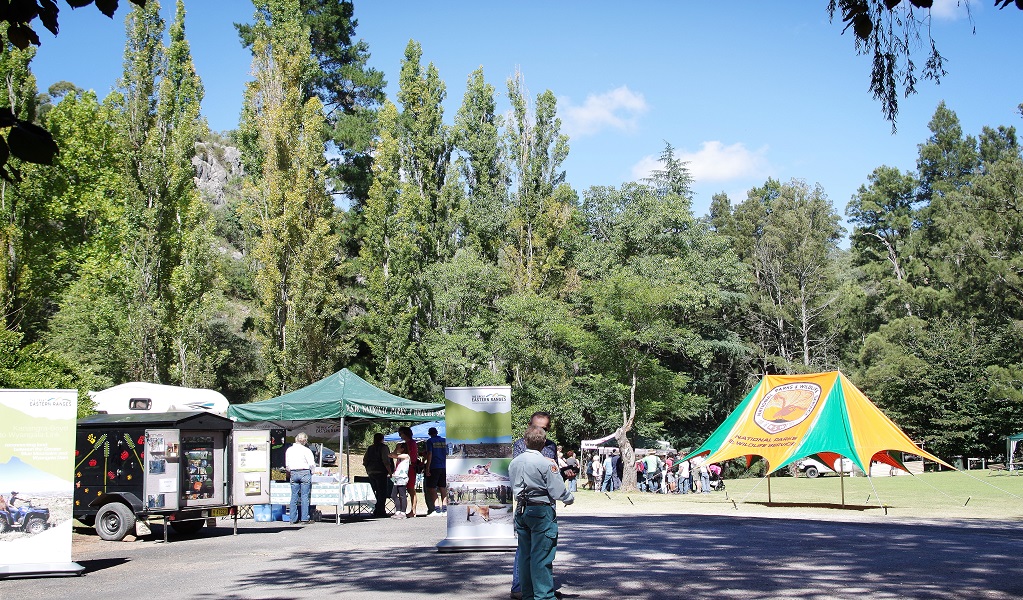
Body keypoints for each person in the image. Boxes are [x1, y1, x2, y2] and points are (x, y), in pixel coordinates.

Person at [510, 425, 574, 600]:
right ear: (544, 442)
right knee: (542, 555)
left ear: (525, 441)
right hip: (540, 510)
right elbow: (557, 491)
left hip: (521, 508)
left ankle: (528, 594)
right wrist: (569, 498)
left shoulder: (514, 462)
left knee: (525, 554)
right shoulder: (547, 463)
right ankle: (544, 596)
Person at [286, 432, 316, 524]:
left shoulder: (289, 450)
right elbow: (311, 464)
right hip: (304, 472)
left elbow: (287, 465)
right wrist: (313, 472)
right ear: (305, 440)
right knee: (304, 496)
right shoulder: (306, 450)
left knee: (294, 496)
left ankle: (292, 518)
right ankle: (304, 518)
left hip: (293, 472)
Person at [363, 432, 394, 517]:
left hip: (371, 472)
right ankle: (380, 511)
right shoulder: (384, 448)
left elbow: (365, 460)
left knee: (375, 491)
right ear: (382, 439)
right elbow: (386, 461)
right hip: (381, 472)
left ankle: (376, 510)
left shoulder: (370, 448)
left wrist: (368, 470)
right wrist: (390, 472)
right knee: (382, 492)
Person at [424, 426, 448, 516]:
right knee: (442, 487)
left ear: (429, 434)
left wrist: (427, 467)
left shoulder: (430, 441)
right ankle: (445, 509)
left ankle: (437, 509)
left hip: (434, 466)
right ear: (437, 432)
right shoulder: (444, 440)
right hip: (444, 466)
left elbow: (430, 454)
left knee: (431, 488)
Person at [398, 426, 419, 517]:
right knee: (403, 489)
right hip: (405, 468)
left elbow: (411, 456)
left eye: (401, 433)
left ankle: (413, 510)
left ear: (405, 433)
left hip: (410, 467)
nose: (400, 435)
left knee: (411, 489)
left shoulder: (411, 443)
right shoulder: (407, 443)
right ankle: (404, 510)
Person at [389, 442, 411, 519]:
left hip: (402, 477)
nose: (398, 449)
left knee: (402, 495)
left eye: (399, 447)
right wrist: (396, 448)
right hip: (397, 477)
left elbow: (393, 455)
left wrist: (396, 449)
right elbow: (390, 455)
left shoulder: (406, 456)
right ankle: (398, 511)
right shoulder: (399, 456)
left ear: (403, 448)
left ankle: (403, 512)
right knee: (393, 495)